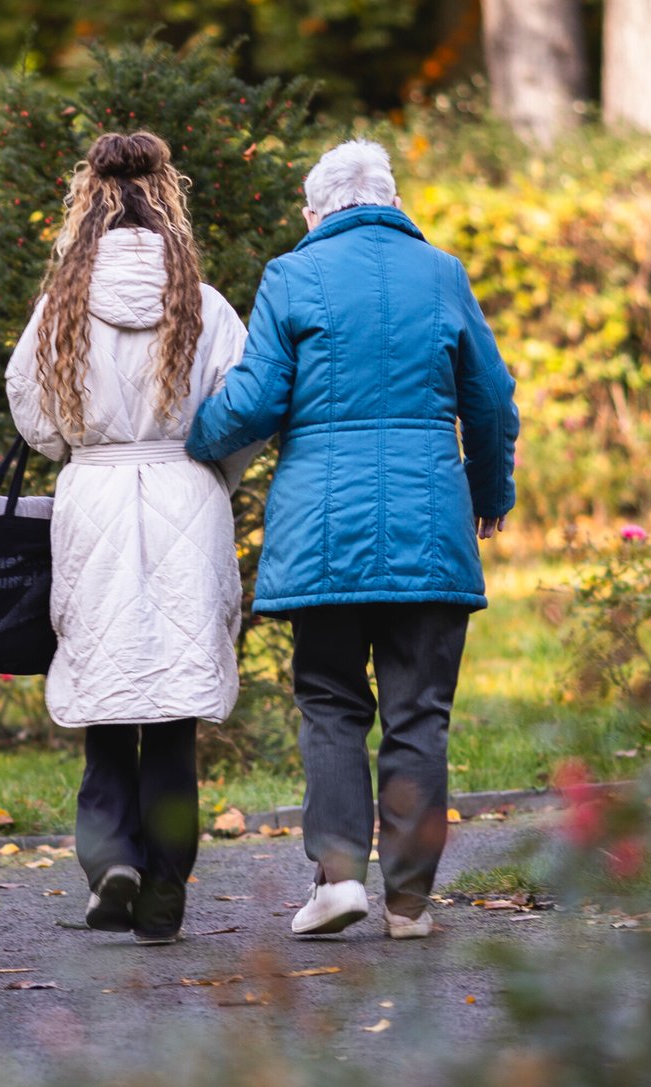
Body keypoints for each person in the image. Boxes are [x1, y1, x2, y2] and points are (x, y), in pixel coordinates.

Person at [185, 139, 520, 941]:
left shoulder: (292, 276)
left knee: (332, 705)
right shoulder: (441, 273)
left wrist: (189, 444)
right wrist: (490, 493)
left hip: (323, 531)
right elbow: (493, 399)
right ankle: (408, 904)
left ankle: (338, 879)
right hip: (429, 527)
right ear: (392, 201)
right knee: (419, 715)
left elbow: (257, 401)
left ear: (315, 210)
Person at [6, 131, 261, 945]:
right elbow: (240, 409)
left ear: (89, 200)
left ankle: (111, 857)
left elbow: (35, 416)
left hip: (97, 496)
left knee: (107, 691)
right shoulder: (204, 303)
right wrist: (211, 469)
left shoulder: (61, 307)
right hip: (184, 489)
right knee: (176, 701)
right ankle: (166, 876)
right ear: (166, 198)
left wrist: (85, 447)